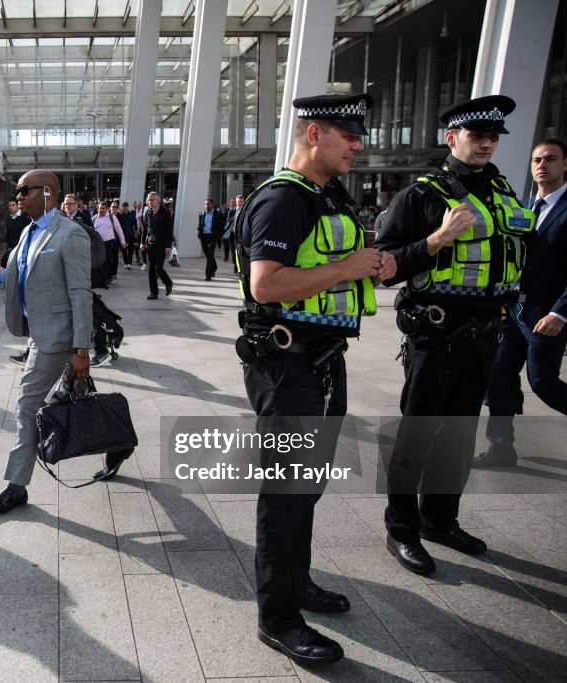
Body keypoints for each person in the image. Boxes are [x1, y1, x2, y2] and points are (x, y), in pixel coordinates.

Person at [236, 93, 391, 666]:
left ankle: (297, 585)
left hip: (322, 362)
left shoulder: (328, 196)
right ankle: (277, 617)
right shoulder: (282, 200)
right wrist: (347, 268)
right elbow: (266, 285)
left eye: (360, 136)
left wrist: (377, 262)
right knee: (284, 492)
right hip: (287, 366)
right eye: (348, 135)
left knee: (308, 485)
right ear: (314, 134)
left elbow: (338, 264)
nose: (358, 145)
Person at [376, 95, 535, 574]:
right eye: (476, 135)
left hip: (487, 335)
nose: (486, 142)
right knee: (417, 436)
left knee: (460, 436)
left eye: (493, 137)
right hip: (435, 336)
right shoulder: (421, 195)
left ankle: (440, 519)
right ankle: (401, 530)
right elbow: (385, 267)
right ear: (452, 138)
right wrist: (438, 239)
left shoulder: (504, 191)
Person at [0, 170, 97, 514]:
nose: (18, 195)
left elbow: (80, 293)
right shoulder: (28, 232)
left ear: (47, 193)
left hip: (57, 338)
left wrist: (81, 349)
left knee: (27, 405)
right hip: (37, 333)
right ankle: (120, 442)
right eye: (17, 190)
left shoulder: (70, 234)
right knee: (82, 400)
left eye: (23, 190)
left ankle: (16, 487)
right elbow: (21, 283)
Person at [478, 137, 567, 468]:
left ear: (566, 164)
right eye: (536, 160)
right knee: (499, 376)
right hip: (512, 310)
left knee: (543, 382)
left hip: (547, 312)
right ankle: (501, 449)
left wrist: (560, 311)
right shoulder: (523, 208)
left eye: (550, 159)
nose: (542, 165)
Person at [142, 192, 173, 300]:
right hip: (150, 244)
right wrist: (142, 242)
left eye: (151, 200)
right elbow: (145, 229)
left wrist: (168, 245)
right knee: (151, 270)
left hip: (162, 245)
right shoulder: (148, 213)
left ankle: (168, 282)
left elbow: (169, 230)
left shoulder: (165, 212)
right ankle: (153, 292)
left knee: (158, 268)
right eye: (148, 200)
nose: (149, 202)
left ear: (157, 200)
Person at [198, 198, 225, 280]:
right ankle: (214, 267)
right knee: (208, 255)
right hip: (204, 237)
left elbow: (221, 226)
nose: (207, 205)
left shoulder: (218, 214)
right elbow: (200, 224)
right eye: (206, 204)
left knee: (210, 256)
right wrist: (199, 231)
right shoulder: (202, 214)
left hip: (212, 237)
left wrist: (218, 235)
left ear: (212, 205)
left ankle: (208, 275)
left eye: (208, 204)